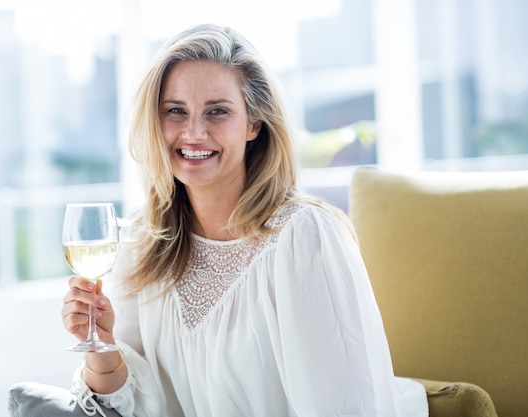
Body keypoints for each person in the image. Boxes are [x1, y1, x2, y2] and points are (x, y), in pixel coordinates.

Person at [61, 23, 428, 417]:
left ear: (254, 124)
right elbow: (136, 405)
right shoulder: (143, 241)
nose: (194, 132)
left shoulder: (303, 236)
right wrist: (100, 344)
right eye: (175, 111)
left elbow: (346, 406)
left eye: (217, 111)